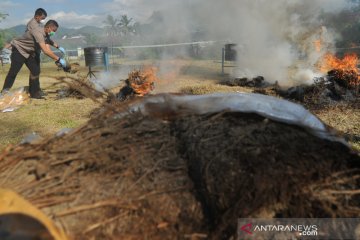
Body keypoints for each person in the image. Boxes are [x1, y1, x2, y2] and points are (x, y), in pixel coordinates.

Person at [2, 20, 67, 99]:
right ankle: (4, 93)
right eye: (53, 30)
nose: (54, 32)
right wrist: (59, 59)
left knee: (35, 71)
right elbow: (46, 51)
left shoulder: (46, 33)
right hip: (19, 50)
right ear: (48, 27)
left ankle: (34, 93)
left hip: (29, 52)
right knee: (13, 72)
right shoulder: (38, 33)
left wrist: (58, 47)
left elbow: (48, 40)